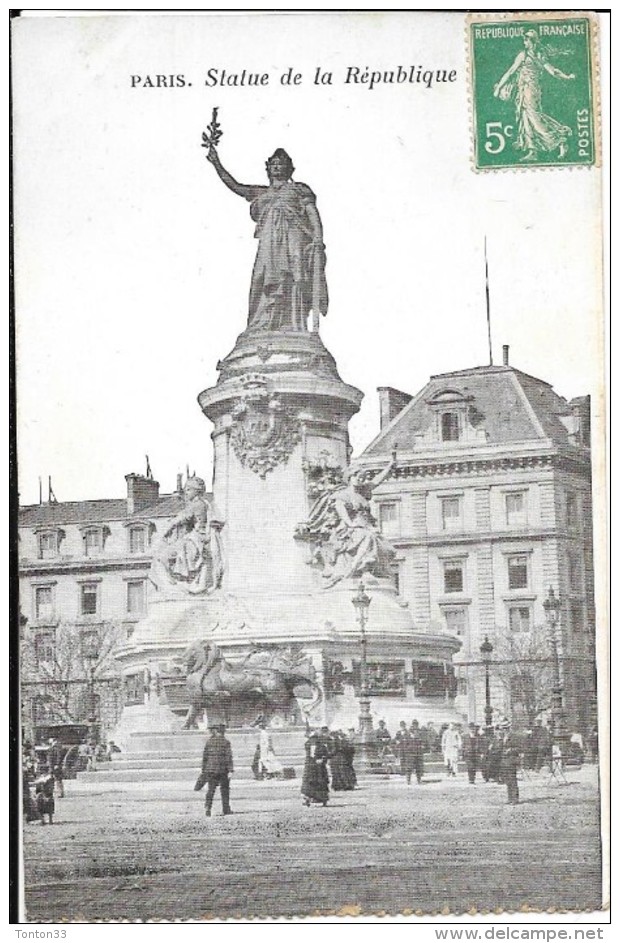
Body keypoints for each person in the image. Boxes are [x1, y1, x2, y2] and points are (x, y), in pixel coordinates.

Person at [206, 145, 328, 333]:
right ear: (268, 168)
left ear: (290, 169)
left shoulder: (299, 189)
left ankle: (294, 325)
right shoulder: (262, 193)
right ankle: (261, 324)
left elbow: (312, 214)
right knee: (260, 278)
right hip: (268, 242)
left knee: (294, 277)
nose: (277, 167)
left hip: (293, 237)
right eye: (274, 164)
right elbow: (236, 186)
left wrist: (318, 239)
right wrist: (216, 163)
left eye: (282, 164)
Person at [493, 29, 575, 162]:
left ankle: (560, 140)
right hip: (524, 90)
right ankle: (533, 150)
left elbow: (552, 71)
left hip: (531, 91)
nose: (524, 42)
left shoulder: (528, 56)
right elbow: (512, 72)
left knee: (534, 119)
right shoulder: (534, 55)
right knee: (527, 118)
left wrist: (566, 77)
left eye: (526, 40)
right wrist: (567, 77)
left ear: (532, 42)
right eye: (524, 40)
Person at [195, 724, 234, 817]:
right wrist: (231, 770)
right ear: (223, 732)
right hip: (222, 770)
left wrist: (204, 770)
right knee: (224, 790)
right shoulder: (226, 742)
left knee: (211, 790)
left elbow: (205, 757)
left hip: (210, 770)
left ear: (216, 731)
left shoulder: (209, 742)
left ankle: (208, 808)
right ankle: (226, 809)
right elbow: (228, 757)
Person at [301, 728, 331, 806]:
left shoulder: (320, 745)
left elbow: (326, 755)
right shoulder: (309, 745)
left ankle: (318, 798)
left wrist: (322, 760)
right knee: (311, 783)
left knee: (318, 782)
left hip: (317, 767)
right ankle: (308, 798)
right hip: (312, 767)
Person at [499, 721, 521, 805]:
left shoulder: (514, 736)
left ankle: (515, 798)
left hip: (511, 760)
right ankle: (510, 798)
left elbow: (519, 748)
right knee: (507, 780)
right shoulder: (502, 737)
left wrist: (510, 750)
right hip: (504, 760)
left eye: (506, 728)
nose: (504, 730)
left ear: (509, 728)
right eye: (503, 728)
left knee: (512, 779)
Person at [409, 720, 425, 785]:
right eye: (414, 724)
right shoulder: (409, 732)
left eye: (416, 724)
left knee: (419, 767)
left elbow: (422, 742)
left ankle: (419, 780)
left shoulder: (420, 732)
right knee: (410, 767)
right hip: (411, 753)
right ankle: (408, 780)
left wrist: (422, 746)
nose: (415, 726)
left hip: (418, 752)